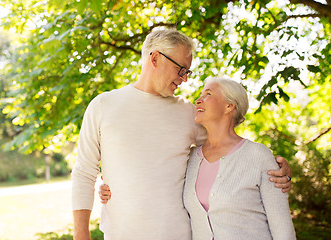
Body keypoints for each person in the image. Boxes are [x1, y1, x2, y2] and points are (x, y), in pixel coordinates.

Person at [72, 28, 292, 240]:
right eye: (181, 69)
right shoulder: (104, 105)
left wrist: (275, 169)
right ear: (155, 58)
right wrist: (81, 235)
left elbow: (229, 149)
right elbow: (84, 172)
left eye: (188, 71)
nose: (185, 79)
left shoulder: (188, 113)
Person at [183, 77, 296, 239]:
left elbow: (283, 230)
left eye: (208, 94)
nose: (198, 100)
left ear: (229, 106)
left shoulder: (258, 156)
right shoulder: (190, 159)